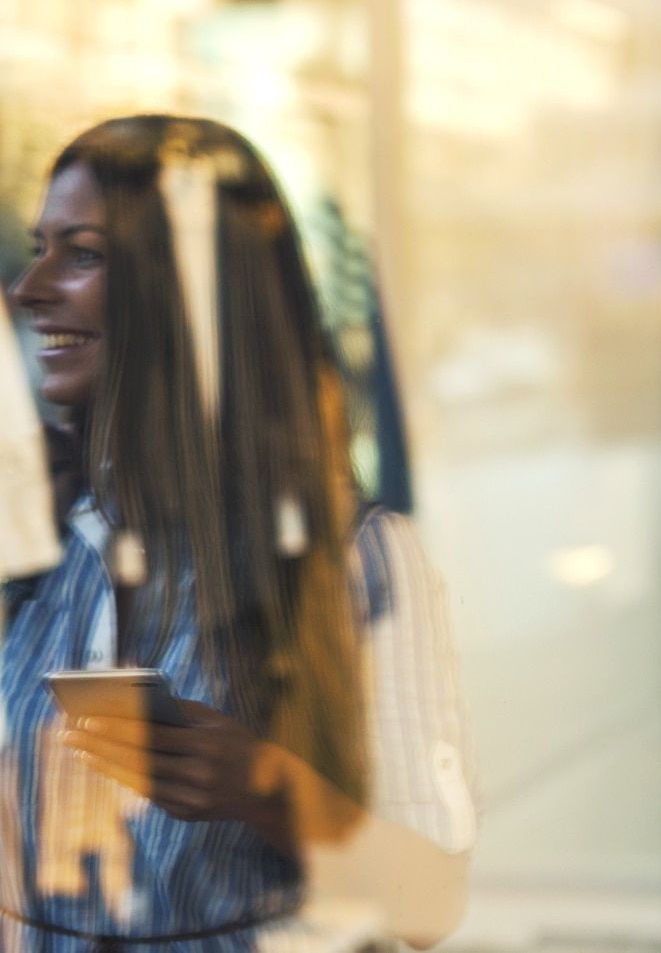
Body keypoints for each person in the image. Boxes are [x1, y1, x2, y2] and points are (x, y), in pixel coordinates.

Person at [3, 116, 475, 950]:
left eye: (80, 254)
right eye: (40, 249)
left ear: (180, 295)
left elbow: (430, 903)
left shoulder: (356, 558)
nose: (30, 288)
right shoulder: (46, 553)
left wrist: (268, 791)